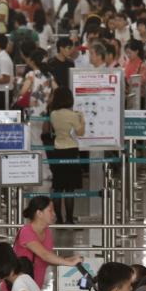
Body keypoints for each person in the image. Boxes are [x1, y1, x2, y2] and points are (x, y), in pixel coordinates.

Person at [14, 196, 82, 290]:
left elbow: (49, 258)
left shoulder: (46, 232)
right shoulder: (26, 232)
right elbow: (44, 255)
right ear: (39, 213)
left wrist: (70, 259)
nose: (54, 214)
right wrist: (69, 263)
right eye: (50, 211)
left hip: (34, 289)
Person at [45, 87, 85, 224]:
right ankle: (69, 218)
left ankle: (59, 219)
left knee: (58, 186)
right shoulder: (73, 115)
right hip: (71, 151)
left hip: (57, 150)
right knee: (69, 188)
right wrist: (82, 119)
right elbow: (80, 133)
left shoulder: (53, 114)